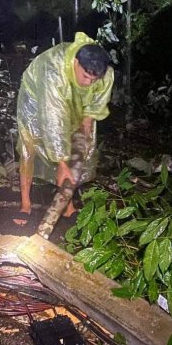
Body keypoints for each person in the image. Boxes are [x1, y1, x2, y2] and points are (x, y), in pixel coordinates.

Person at [14, 32, 114, 226]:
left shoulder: (104, 74)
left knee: (74, 150)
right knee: (29, 146)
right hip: (37, 95)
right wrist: (61, 162)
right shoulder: (53, 69)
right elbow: (53, 119)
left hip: (74, 97)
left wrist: (83, 133)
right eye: (86, 76)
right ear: (76, 63)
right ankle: (25, 203)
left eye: (94, 80)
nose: (89, 82)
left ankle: (66, 206)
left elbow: (95, 106)